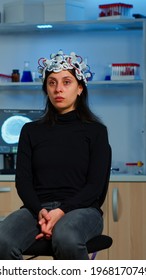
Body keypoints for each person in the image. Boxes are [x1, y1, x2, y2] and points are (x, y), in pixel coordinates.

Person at [0, 50, 111, 260]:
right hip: (36, 210)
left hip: (82, 210)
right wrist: (41, 211)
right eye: (52, 83)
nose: (58, 89)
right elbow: (23, 182)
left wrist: (61, 211)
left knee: (66, 236)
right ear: (46, 89)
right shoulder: (30, 131)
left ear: (80, 88)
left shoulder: (96, 131)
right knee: (2, 240)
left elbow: (95, 187)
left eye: (66, 82)